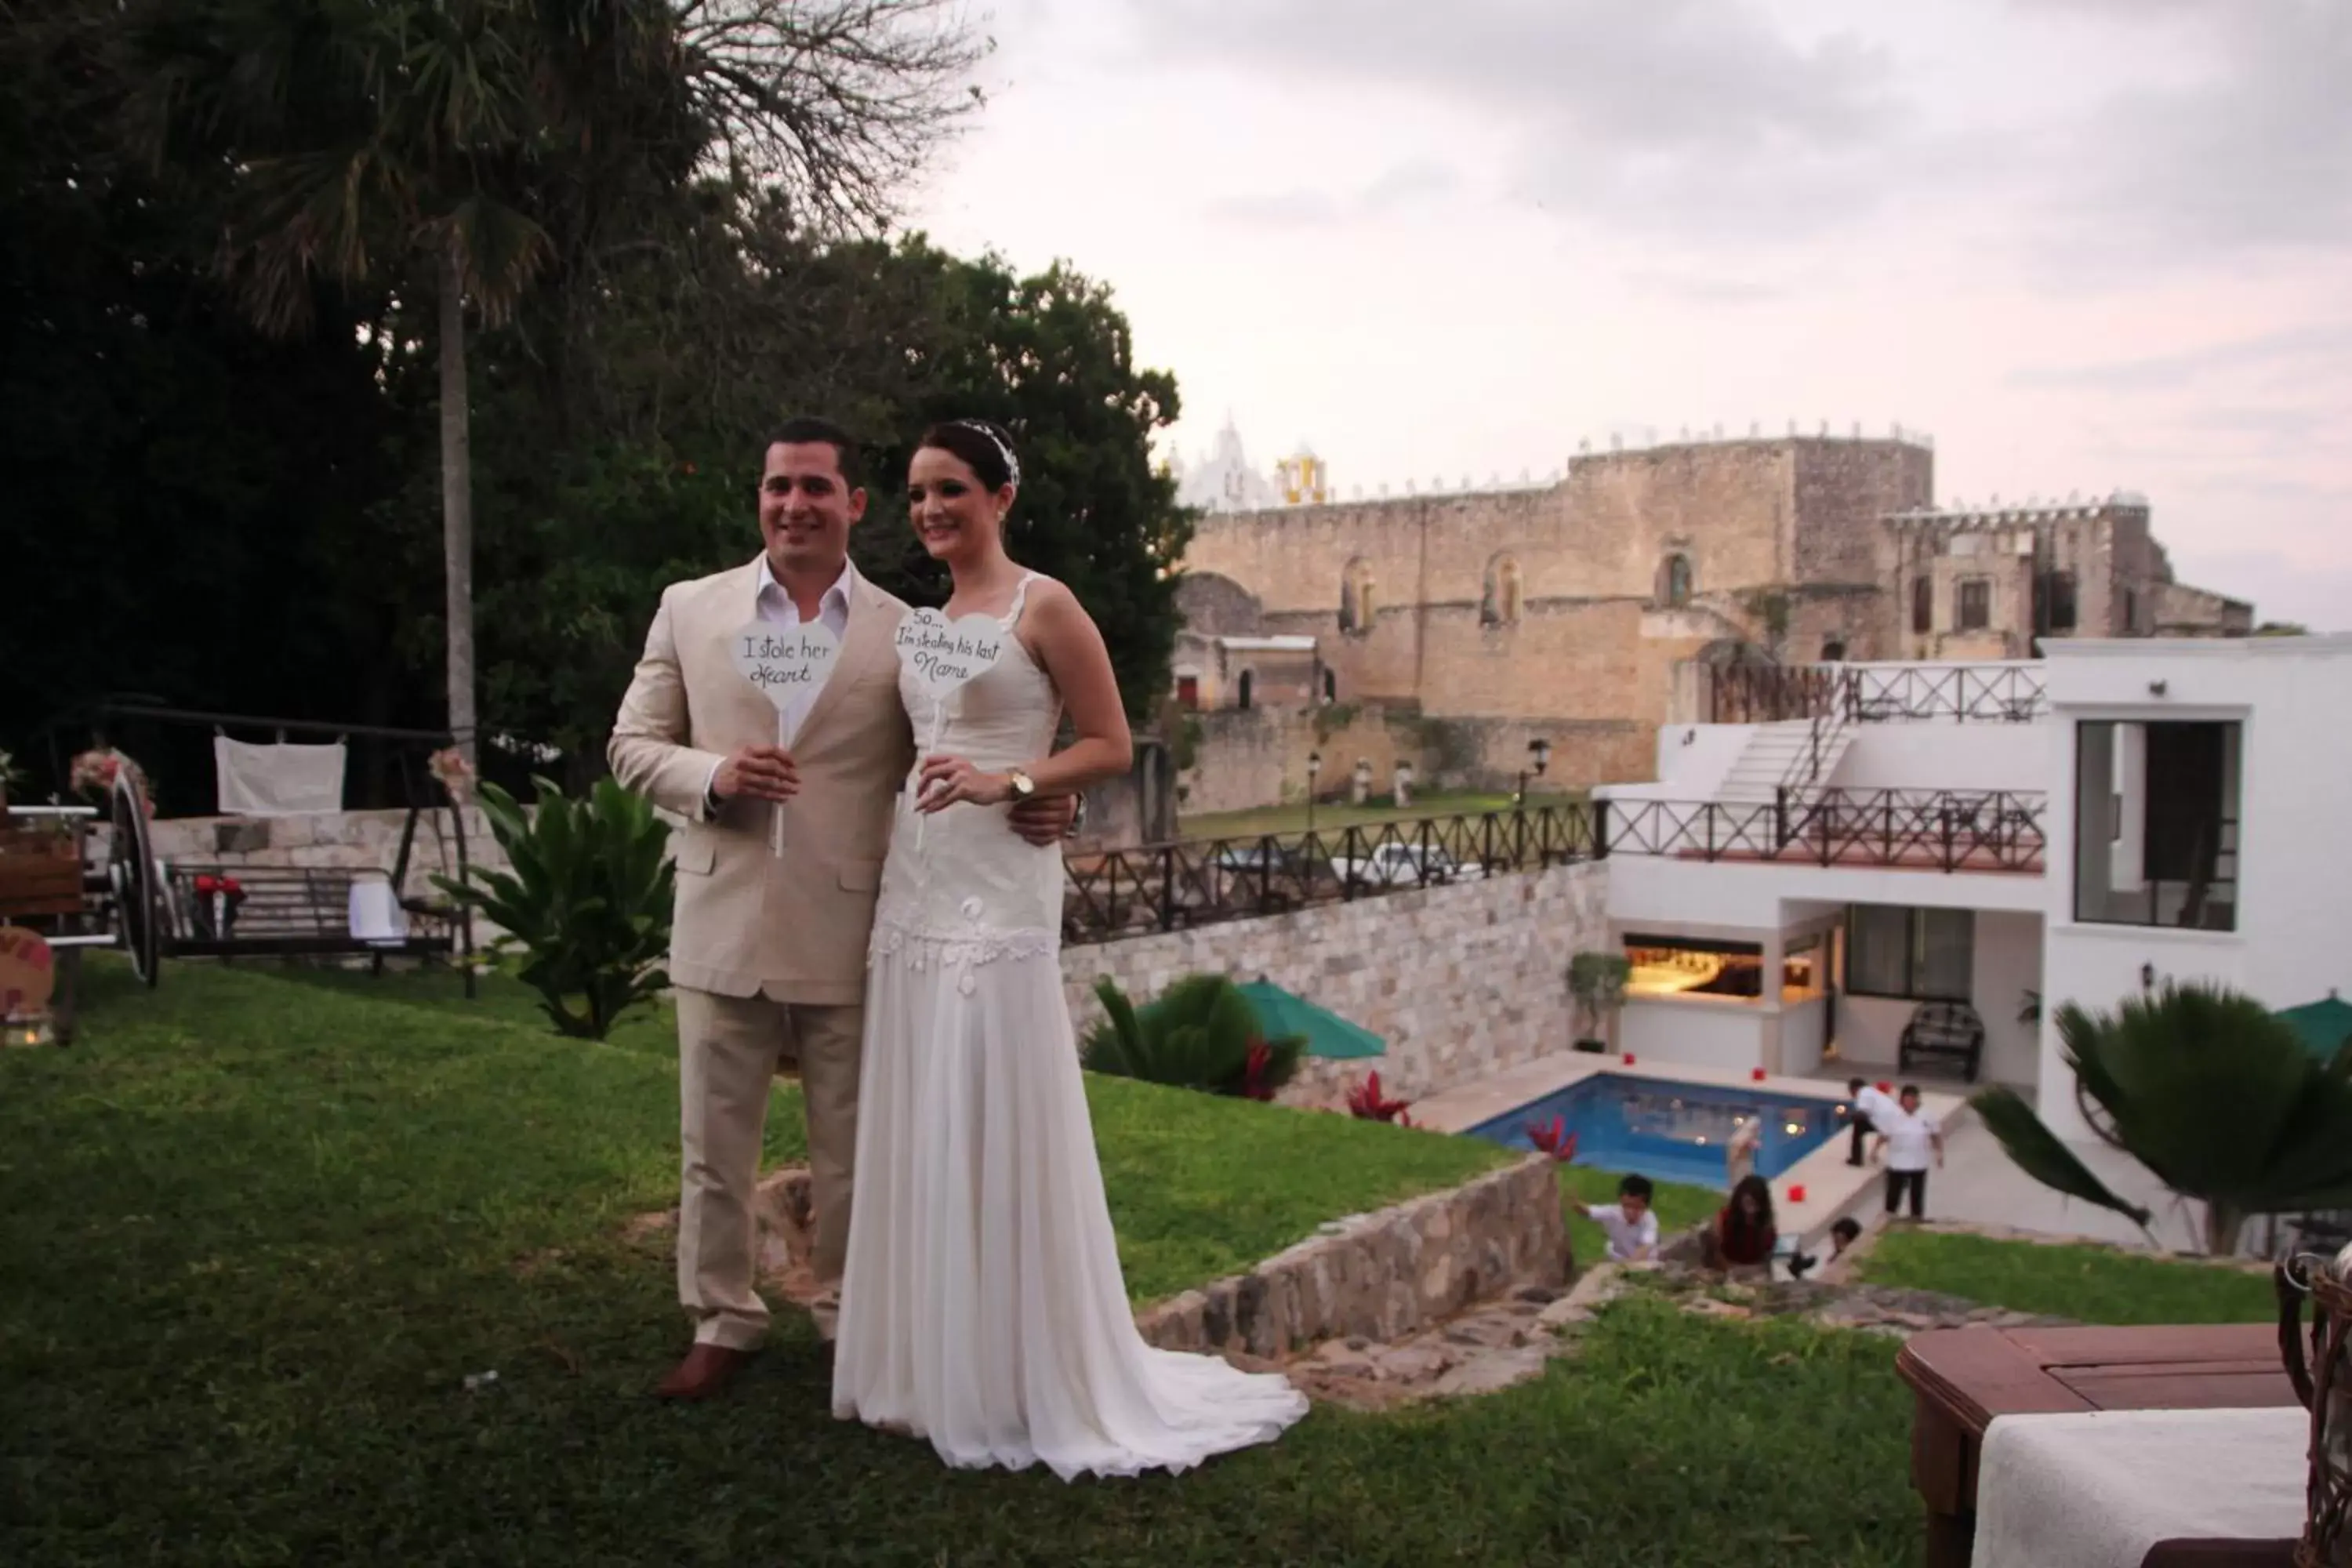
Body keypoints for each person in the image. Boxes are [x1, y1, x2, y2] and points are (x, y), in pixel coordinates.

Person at [829, 419, 1308, 1479]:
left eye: (951, 488)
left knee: (994, 1095)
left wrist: (1026, 788)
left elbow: (1105, 740)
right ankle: (924, 1364)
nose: (932, 510)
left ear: (1001, 494)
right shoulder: (924, 624)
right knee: (923, 1105)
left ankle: (1018, 1369)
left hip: (999, 889)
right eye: (917, 494)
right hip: (917, 882)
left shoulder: (1045, 605)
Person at [608, 417, 1074, 1402]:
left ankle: (848, 1314)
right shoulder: (691, 609)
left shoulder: (911, 630)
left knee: (856, 1147)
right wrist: (714, 771)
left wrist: (1044, 789)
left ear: (853, 505)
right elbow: (631, 743)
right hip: (721, 913)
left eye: (817, 487)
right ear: (760, 496)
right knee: (712, 1145)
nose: (795, 503)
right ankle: (721, 1318)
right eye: (779, 485)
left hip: (858, 924)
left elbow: (968, 733)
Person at [1870, 1084, 1944, 1219]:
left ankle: (1916, 1219)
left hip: (1918, 1162)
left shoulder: (1927, 1115)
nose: (1910, 1103)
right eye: (1907, 1100)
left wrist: (1939, 1153)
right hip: (1897, 1162)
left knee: (1917, 1195)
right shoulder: (1892, 1115)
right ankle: (1889, 1218)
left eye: (1912, 1099)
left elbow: (1936, 1135)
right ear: (1902, 1100)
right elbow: (1884, 1135)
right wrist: (1875, 1150)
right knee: (1893, 1194)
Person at [1700, 1174, 1777, 1272]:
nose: (1751, 1211)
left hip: (1753, 1271)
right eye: (1748, 1203)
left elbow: (1766, 1259)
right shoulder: (1724, 1218)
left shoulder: (1766, 1226)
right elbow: (1716, 1253)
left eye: (1755, 1204)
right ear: (1740, 1199)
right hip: (1726, 1269)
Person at [1577, 1174, 1659, 1263]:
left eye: (1637, 1208)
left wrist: (1628, 1265)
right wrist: (1575, 1203)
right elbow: (1589, 1212)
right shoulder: (1614, 1213)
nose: (1630, 1212)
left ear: (1646, 1207)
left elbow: (1645, 1247)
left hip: (1643, 1261)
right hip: (1617, 1257)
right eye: (1627, 1206)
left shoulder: (1649, 1220)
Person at [1845, 1076, 1894, 1167]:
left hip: (1886, 1121)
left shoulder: (1863, 1093)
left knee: (1858, 1126)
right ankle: (1857, 1158)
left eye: (1850, 1090)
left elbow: (1862, 1113)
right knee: (1860, 1125)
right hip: (1892, 1120)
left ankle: (1856, 1159)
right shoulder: (1873, 1092)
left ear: (1854, 1089)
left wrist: (1848, 1116)